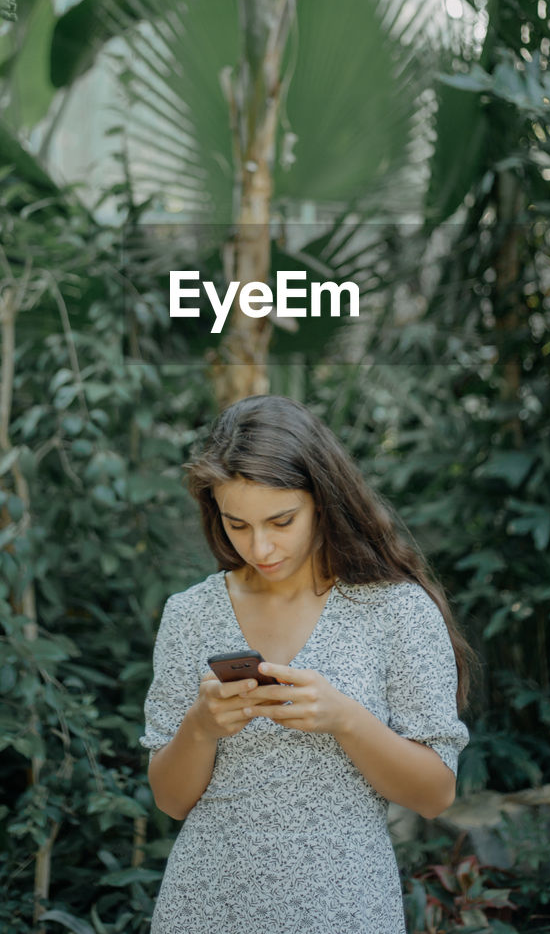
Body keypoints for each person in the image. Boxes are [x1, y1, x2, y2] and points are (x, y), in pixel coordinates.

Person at [141, 394, 471, 934]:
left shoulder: (396, 610)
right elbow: (171, 801)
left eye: (281, 520)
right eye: (236, 525)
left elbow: (435, 794)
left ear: (323, 498)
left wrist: (344, 718)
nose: (261, 546)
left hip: (345, 907)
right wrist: (200, 726)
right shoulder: (190, 615)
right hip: (204, 906)